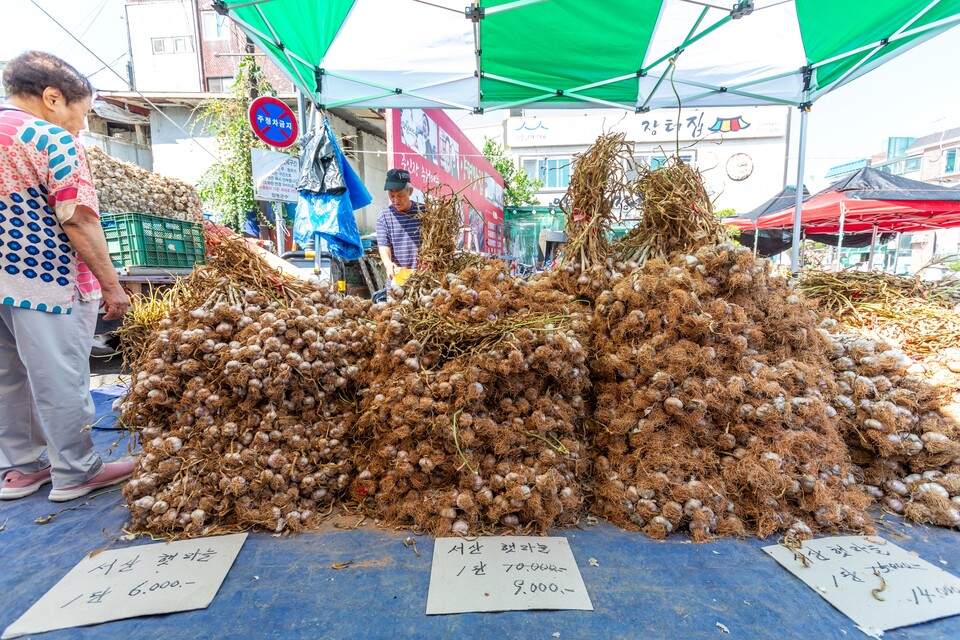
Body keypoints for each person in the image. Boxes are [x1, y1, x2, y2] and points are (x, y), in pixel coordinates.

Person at [0, 51, 134, 502]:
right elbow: (76, 217)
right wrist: (111, 285)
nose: (82, 124)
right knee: (59, 377)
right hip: (43, 279)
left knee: (7, 380)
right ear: (53, 98)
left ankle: (23, 468)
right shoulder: (50, 139)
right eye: (84, 111)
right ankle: (76, 471)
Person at [376, 168, 423, 282]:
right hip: (397, 280)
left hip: (423, 278)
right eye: (391, 195)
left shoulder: (425, 213)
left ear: (410, 191)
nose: (395, 200)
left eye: (400, 195)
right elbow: (383, 246)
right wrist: (388, 263)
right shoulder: (384, 217)